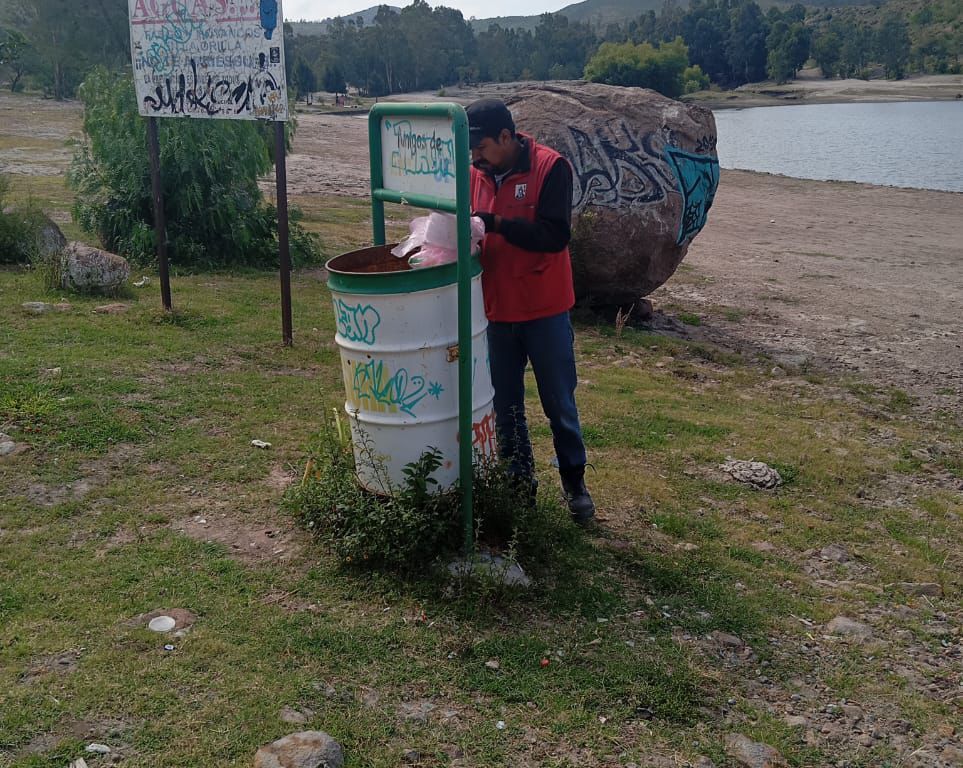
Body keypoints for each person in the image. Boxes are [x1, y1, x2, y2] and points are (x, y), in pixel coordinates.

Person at [467, 98, 595, 524]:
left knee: (559, 404)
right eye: (471, 149)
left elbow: (554, 236)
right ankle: (519, 488)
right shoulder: (474, 175)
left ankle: (574, 482)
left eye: (482, 147)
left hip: (545, 311)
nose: (476, 157)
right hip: (496, 311)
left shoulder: (551, 168)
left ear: (507, 136)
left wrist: (495, 224)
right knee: (505, 407)